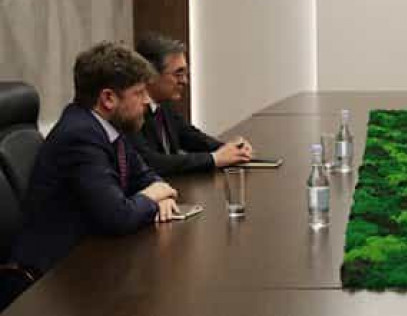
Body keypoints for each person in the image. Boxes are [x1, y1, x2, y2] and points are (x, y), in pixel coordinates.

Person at [1, 42, 178, 309]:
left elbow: (147, 176)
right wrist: (153, 197)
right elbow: (118, 217)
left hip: (86, 260)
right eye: (139, 93)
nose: (146, 101)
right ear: (108, 98)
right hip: (50, 282)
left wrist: (158, 192)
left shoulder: (110, 128)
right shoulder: (79, 135)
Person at [128, 33, 253, 176]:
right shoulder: (130, 112)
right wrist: (214, 159)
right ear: (151, 75)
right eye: (178, 74)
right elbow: (152, 162)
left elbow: (191, 137)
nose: (184, 81)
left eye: (186, 73)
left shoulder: (164, 106)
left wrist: (232, 149)